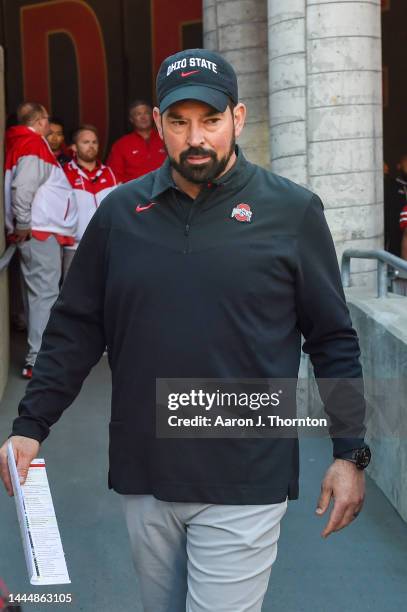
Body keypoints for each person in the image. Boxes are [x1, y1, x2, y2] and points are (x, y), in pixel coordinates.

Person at [0, 51, 370, 611]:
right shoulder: (121, 214)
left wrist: (349, 452)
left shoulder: (292, 212)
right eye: (178, 122)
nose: (195, 138)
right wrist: (32, 423)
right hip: (146, 471)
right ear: (158, 121)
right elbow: (76, 329)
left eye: (210, 120)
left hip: (247, 475)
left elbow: (331, 338)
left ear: (237, 119)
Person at [3, 102, 77, 379]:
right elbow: (22, 188)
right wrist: (23, 223)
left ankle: (38, 357)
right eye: (47, 118)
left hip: (39, 232)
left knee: (38, 296)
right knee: (45, 295)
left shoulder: (22, 143)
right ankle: (39, 360)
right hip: (40, 232)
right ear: (40, 120)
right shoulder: (32, 144)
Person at [63, 125, 117, 277]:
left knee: (105, 295)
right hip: (74, 247)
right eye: (85, 142)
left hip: (104, 246)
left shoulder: (109, 172)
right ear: (74, 147)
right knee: (72, 296)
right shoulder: (64, 173)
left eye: (94, 142)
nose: (91, 146)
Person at [106, 100, 166, 183]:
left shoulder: (165, 139)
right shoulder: (121, 144)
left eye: (146, 113)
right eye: (138, 114)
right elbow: (114, 176)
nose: (143, 117)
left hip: (165, 190)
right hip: (134, 193)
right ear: (131, 119)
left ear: (153, 116)